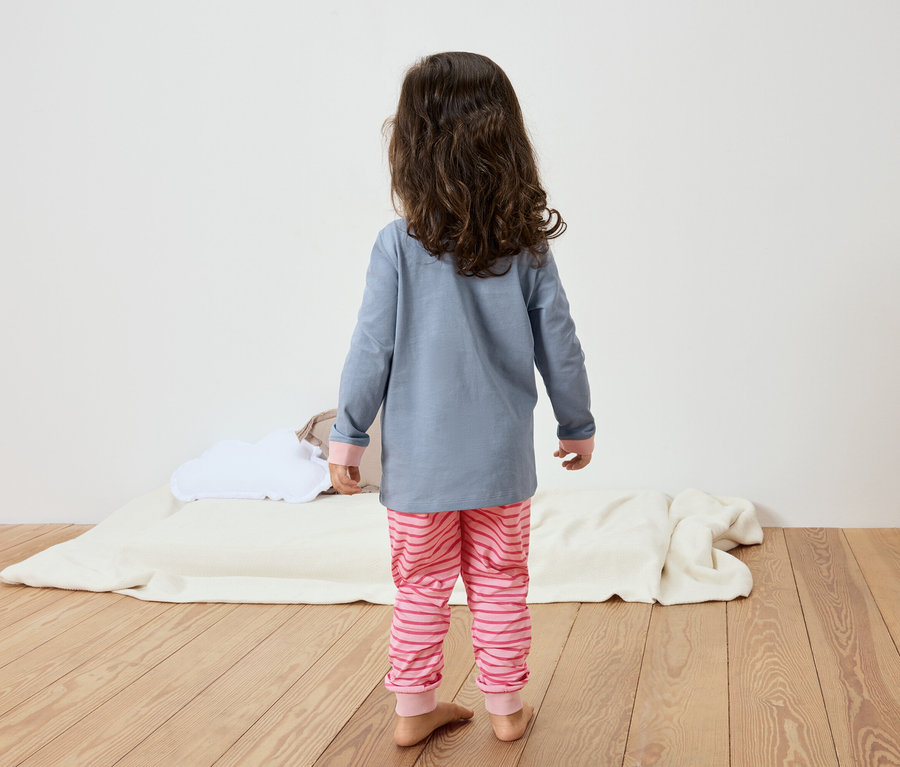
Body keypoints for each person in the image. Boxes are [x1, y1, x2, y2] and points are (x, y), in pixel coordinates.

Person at [327, 51, 595, 747]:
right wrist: (578, 423)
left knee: (418, 585)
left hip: (419, 472)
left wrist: (348, 435)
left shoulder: (396, 246)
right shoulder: (526, 249)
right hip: (501, 468)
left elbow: (369, 350)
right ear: (506, 143)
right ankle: (505, 709)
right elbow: (559, 344)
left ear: (410, 148)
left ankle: (414, 708)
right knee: (501, 580)